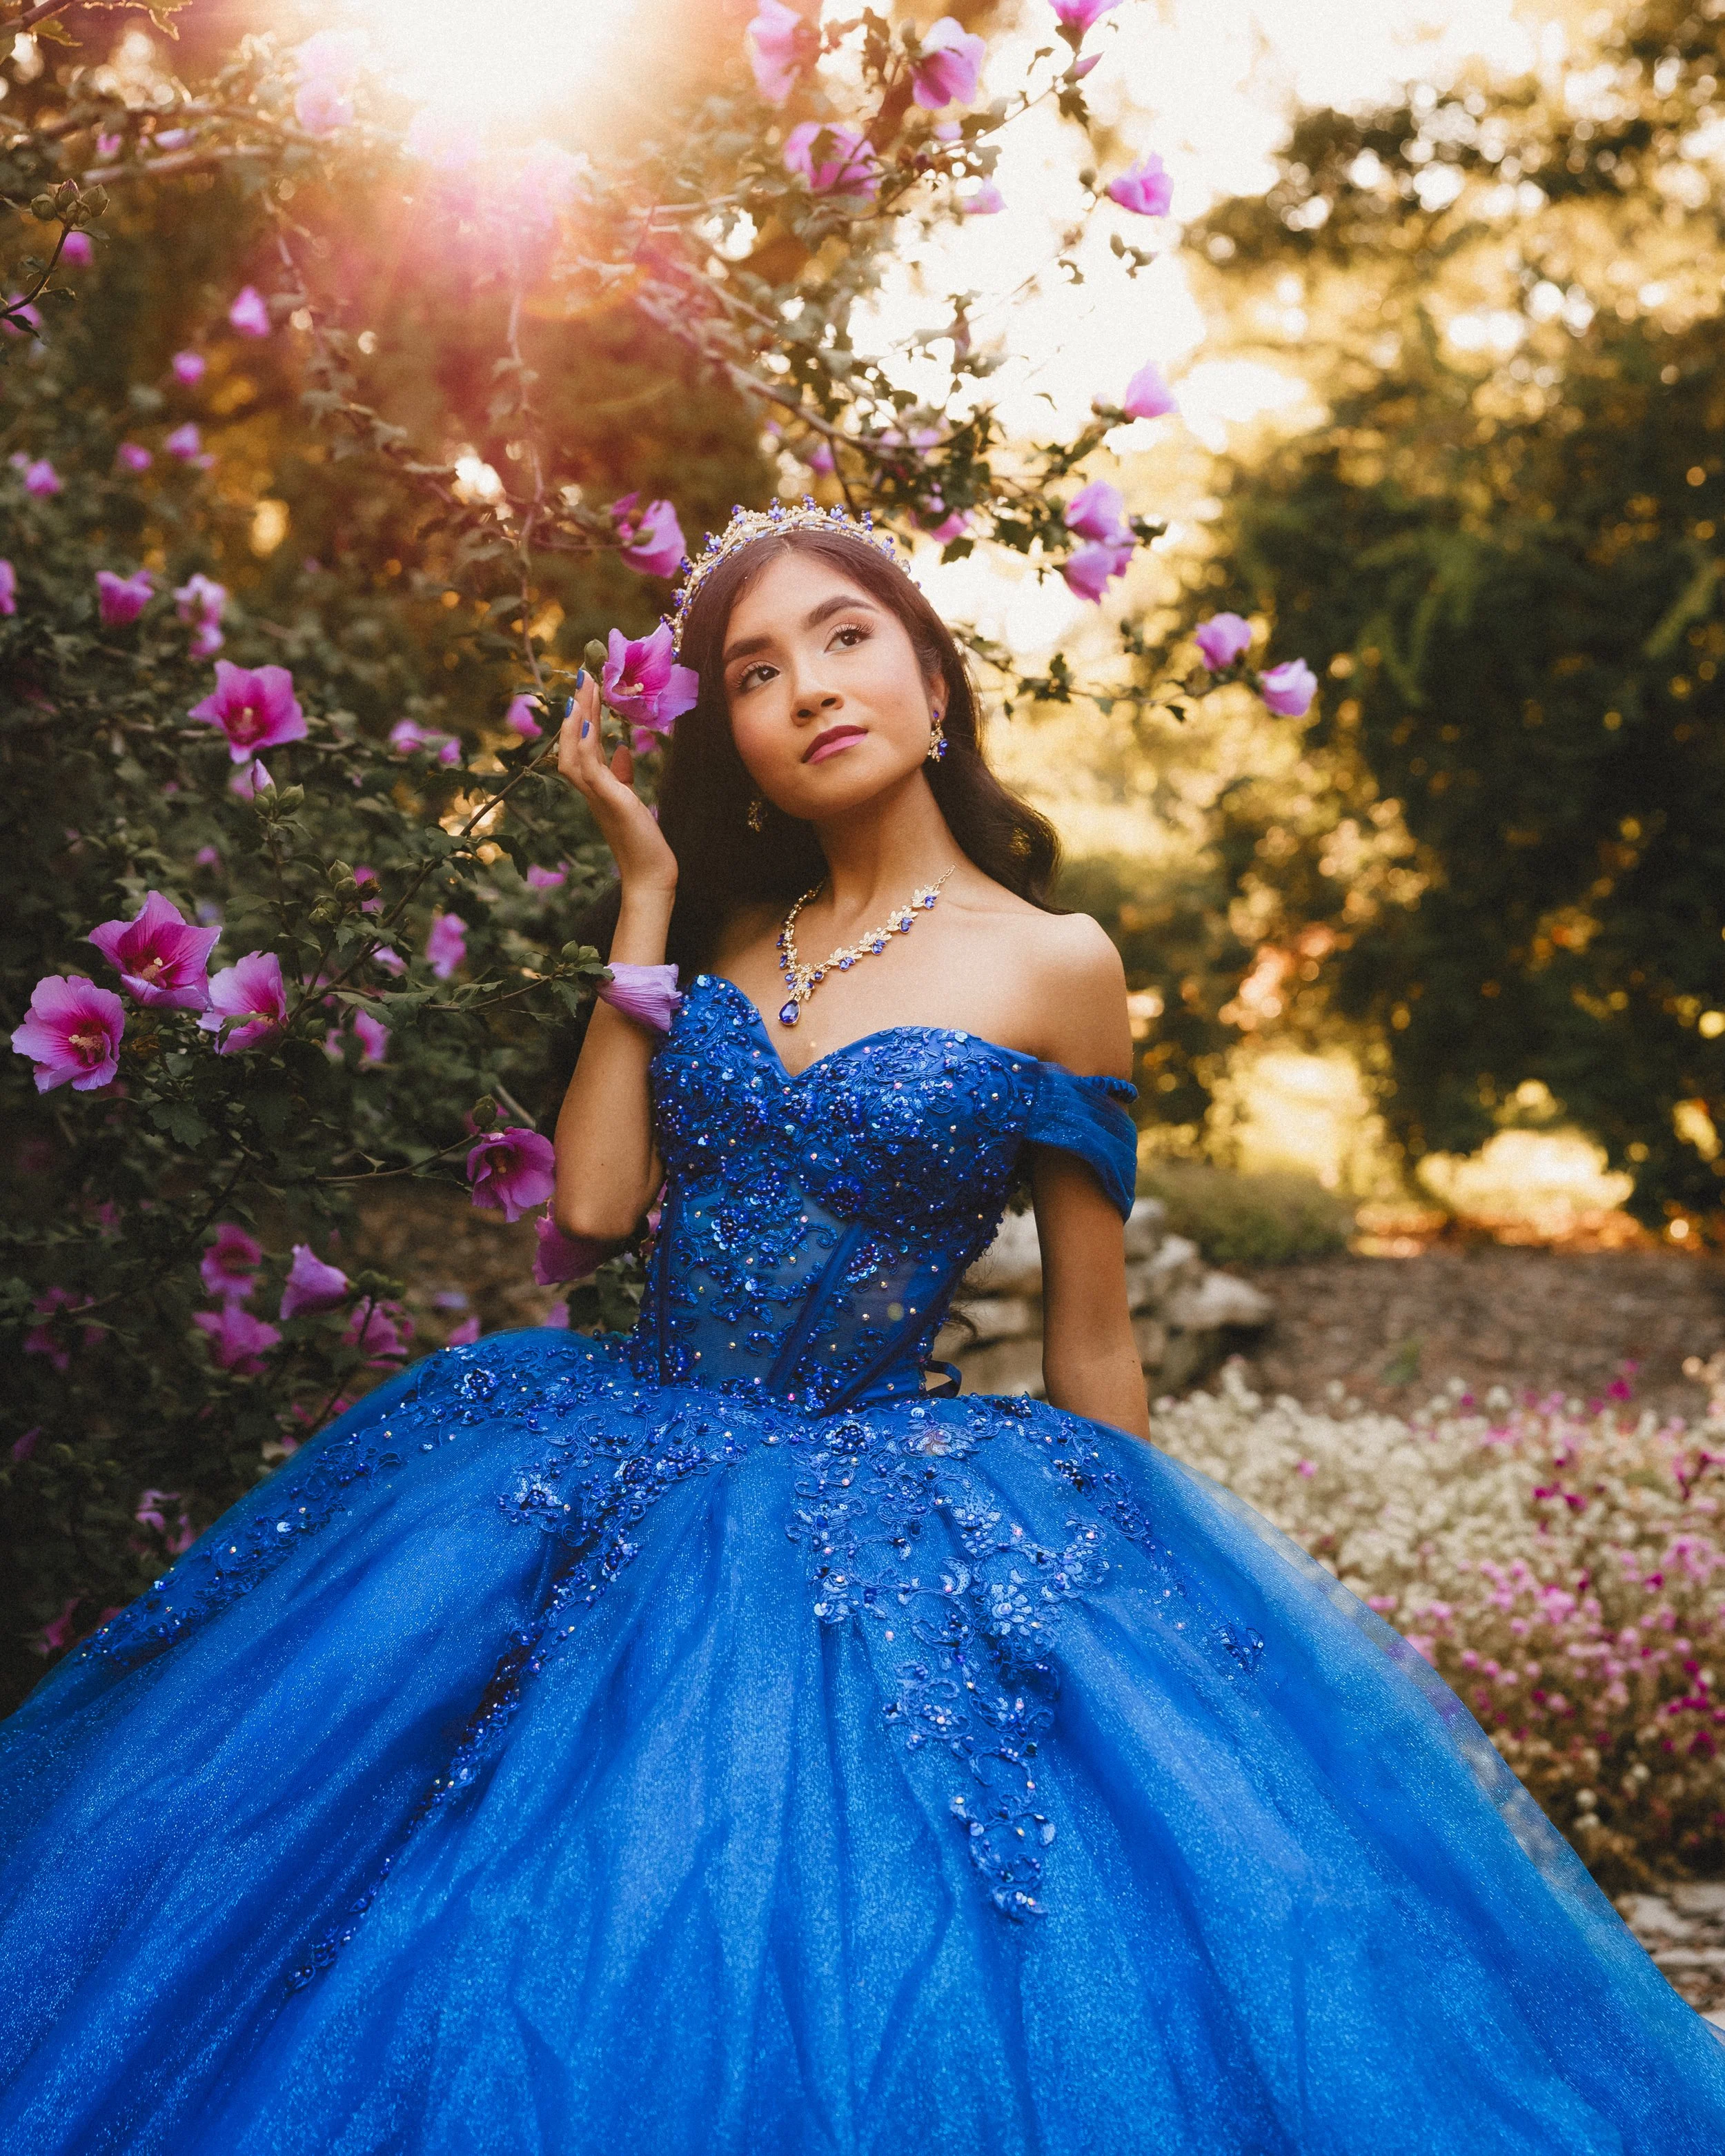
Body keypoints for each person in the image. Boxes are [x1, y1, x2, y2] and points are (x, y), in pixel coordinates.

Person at [1, 503, 1721, 2156]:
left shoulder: (1055, 960)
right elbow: (590, 1204)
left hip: (875, 1513)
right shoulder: (724, 936)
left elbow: (1092, 1331)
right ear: (733, 736)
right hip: (599, 1459)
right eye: (754, 671)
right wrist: (643, 890)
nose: (808, 687)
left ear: (933, 677)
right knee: (457, 1909)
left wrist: (1129, 1619)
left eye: (843, 639)